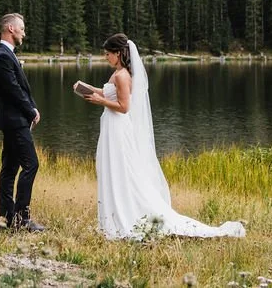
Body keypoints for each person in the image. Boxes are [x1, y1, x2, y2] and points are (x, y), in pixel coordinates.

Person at [75, 33, 245, 240]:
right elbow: (108, 93)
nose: (105, 57)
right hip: (111, 126)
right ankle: (113, 218)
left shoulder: (122, 76)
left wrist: (99, 101)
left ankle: (125, 217)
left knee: (121, 170)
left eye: (108, 53)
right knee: (112, 169)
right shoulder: (118, 73)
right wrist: (87, 89)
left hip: (118, 127)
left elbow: (124, 107)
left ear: (118, 53)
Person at [0, 12, 45, 232]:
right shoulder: (2, 56)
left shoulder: (6, 54)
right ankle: (22, 219)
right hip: (15, 121)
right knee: (31, 165)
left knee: (10, 169)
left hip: (13, 120)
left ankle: (7, 218)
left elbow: (20, 88)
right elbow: (13, 90)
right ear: (11, 29)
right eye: (21, 29)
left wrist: (32, 108)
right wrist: (30, 111)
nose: (24, 33)